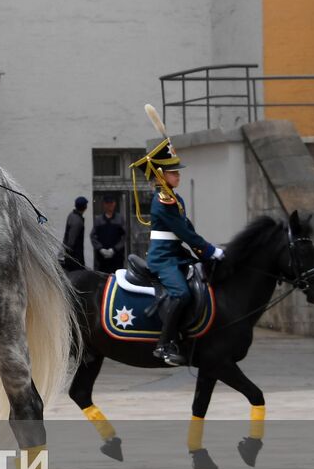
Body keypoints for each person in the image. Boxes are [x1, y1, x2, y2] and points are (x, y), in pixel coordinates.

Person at [129, 130, 224, 366]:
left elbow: (187, 227)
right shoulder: (163, 201)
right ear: (161, 176)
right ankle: (163, 345)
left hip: (177, 256)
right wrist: (210, 251)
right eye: (173, 172)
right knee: (181, 293)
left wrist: (205, 250)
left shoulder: (174, 198)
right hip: (163, 259)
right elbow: (183, 233)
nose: (178, 176)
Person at [91, 195, 126, 273]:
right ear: (104, 204)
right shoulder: (99, 220)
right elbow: (93, 236)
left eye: (111, 203)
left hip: (117, 257)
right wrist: (100, 249)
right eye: (107, 203)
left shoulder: (120, 219)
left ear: (115, 204)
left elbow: (124, 237)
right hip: (102, 259)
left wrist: (114, 249)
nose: (109, 205)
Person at [61, 196, 88, 272]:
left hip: (70, 256)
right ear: (85, 207)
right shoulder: (78, 221)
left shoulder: (71, 215)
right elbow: (71, 241)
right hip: (75, 257)